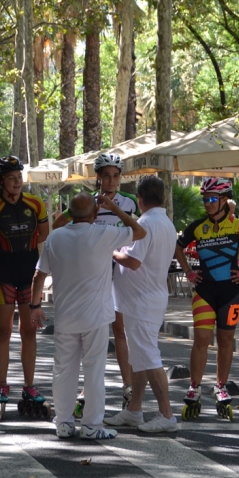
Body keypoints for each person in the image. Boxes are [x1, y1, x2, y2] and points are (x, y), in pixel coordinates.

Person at [30, 192, 146, 440]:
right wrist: (113, 207)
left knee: (63, 369)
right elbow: (138, 231)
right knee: (94, 371)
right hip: (96, 318)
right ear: (95, 214)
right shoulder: (103, 234)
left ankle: (63, 422)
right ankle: (92, 424)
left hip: (65, 317)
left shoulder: (56, 238)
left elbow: (38, 276)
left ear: (70, 213)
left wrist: (34, 306)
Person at [174, 177, 239, 420]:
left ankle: (220, 386)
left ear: (224, 200)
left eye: (212, 199)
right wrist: (188, 270)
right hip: (204, 290)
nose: (207, 203)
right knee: (202, 339)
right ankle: (194, 387)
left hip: (231, 292)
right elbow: (177, 246)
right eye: (204, 199)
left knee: (226, 341)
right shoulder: (197, 227)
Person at [53, 152, 139, 410]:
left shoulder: (130, 202)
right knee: (88, 332)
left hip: (121, 270)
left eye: (116, 176)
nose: (112, 181)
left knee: (119, 329)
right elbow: (58, 226)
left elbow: (140, 232)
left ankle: (128, 387)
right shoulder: (85, 202)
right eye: (106, 176)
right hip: (93, 273)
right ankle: (84, 391)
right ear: (98, 178)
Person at [103, 176, 179, 433]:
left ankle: (167, 415)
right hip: (146, 298)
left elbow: (133, 261)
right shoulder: (165, 222)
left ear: (141, 199)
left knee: (148, 357)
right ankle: (134, 410)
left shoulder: (147, 222)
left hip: (143, 300)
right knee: (140, 357)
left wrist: (111, 251)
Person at [0, 155, 50, 412]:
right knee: (3, 332)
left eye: (19, 177)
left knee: (29, 331)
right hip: (4, 275)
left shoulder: (35, 203)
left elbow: (44, 233)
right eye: (11, 178)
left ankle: (29, 385)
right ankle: (2, 384)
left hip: (30, 274)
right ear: (0, 182)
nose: (17, 182)